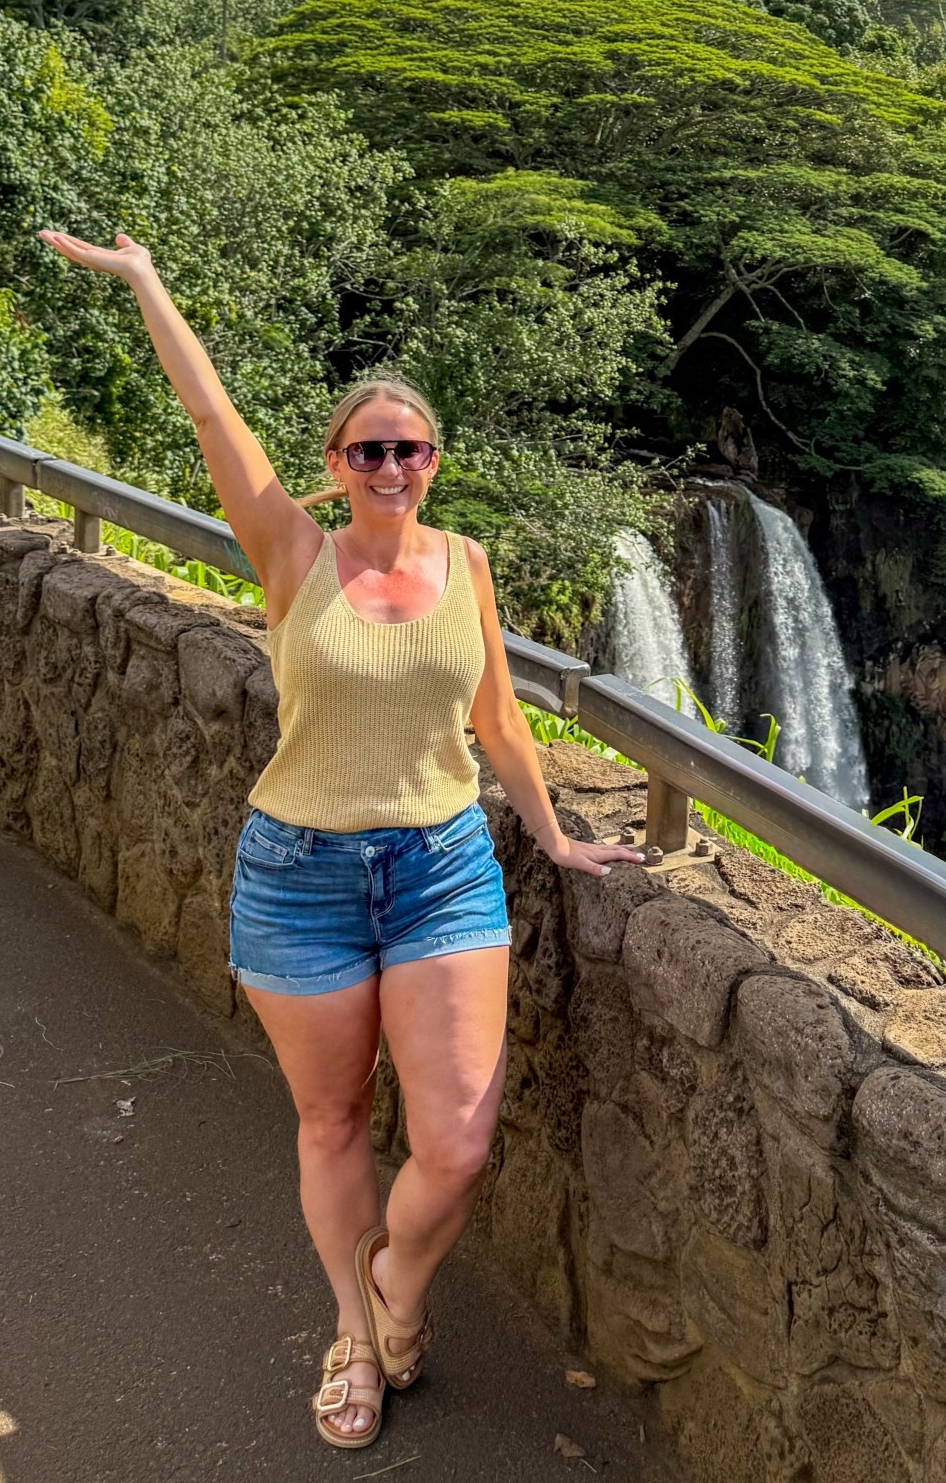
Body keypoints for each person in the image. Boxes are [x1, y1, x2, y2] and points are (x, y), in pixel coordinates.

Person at [38, 228, 645, 1452]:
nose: (390, 465)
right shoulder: (293, 553)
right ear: (336, 462)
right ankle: (358, 1340)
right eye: (368, 448)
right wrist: (147, 279)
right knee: (329, 1122)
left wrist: (554, 834)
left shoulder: (467, 562)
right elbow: (210, 416)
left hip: (442, 868)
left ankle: (391, 1285)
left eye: (409, 448)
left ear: (434, 460)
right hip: (298, 874)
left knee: (456, 1142)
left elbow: (498, 719)